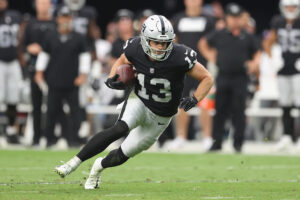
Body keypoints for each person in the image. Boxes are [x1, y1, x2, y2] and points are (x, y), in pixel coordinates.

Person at [54, 15, 214, 190]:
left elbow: (207, 77)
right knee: (120, 128)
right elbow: (122, 60)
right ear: (145, 40)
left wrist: (195, 98)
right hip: (139, 100)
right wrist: (111, 77)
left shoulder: (181, 56)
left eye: (165, 43)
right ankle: (72, 163)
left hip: (161, 116)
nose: (161, 47)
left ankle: (98, 167)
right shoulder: (135, 48)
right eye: (156, 42)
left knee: (123, 154)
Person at [200, 3, 261, 152]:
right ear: (226, 18)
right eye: (231, 17)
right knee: (220, 111)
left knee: (239, 111)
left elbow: (258, 51)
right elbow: (202, 43)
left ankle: (238, 144)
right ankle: (217, 143)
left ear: (241, 19)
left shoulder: (247, 36)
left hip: (240, 78)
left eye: (237, 17)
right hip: (223, 76)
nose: (234, 20)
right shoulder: (219, 34)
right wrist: (211, 57)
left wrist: (254, 63)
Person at [34, 6, 91, 147]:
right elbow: (43, 56)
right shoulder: (50, 36)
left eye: (68, 17)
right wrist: (39, 72)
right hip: (53, 80)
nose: (65, 20)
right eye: (63, 17)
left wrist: (83, 74)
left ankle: (74, 140)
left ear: (71, 19)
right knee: (51, 111)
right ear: (58, 19)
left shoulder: (79, 38)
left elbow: (85, 56)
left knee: (75, 112)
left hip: (72, 81)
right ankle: (49, 139)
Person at [169, 0, 215, 150]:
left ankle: (207, 137)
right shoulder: (178, 19)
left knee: (205, 103)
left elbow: (213, 42)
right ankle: (181, 136)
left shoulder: (209, 20)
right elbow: (173, 41)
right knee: (181, 102)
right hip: (182, 68)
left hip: (202, 68)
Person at [20, 0, 60, 147]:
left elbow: (59, 45)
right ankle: (36, 138)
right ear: (36, 5)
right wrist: (29, 48)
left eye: (45, 2)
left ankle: (51, 137)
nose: (43, 5)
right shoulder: (30, 24)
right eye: (40, 2)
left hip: (52, 70)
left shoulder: (55, 24)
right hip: (34, 69)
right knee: (36, 105)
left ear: (50, 5)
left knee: (54, 105)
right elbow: (23, 46)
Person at [263, 0, 300, 151]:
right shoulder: (278, 21)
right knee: (285, 104)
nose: (290, 9)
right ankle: (287, 137)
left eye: (293, 6)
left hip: (298, 69)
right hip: (283, 69)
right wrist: (273, 58)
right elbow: (268, 42)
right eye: (288, 6)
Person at [0, 0, 22, 144]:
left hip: (13, 61)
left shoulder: (15, 16)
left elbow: (20, 38)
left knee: (13, 97)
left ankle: (11, 130)